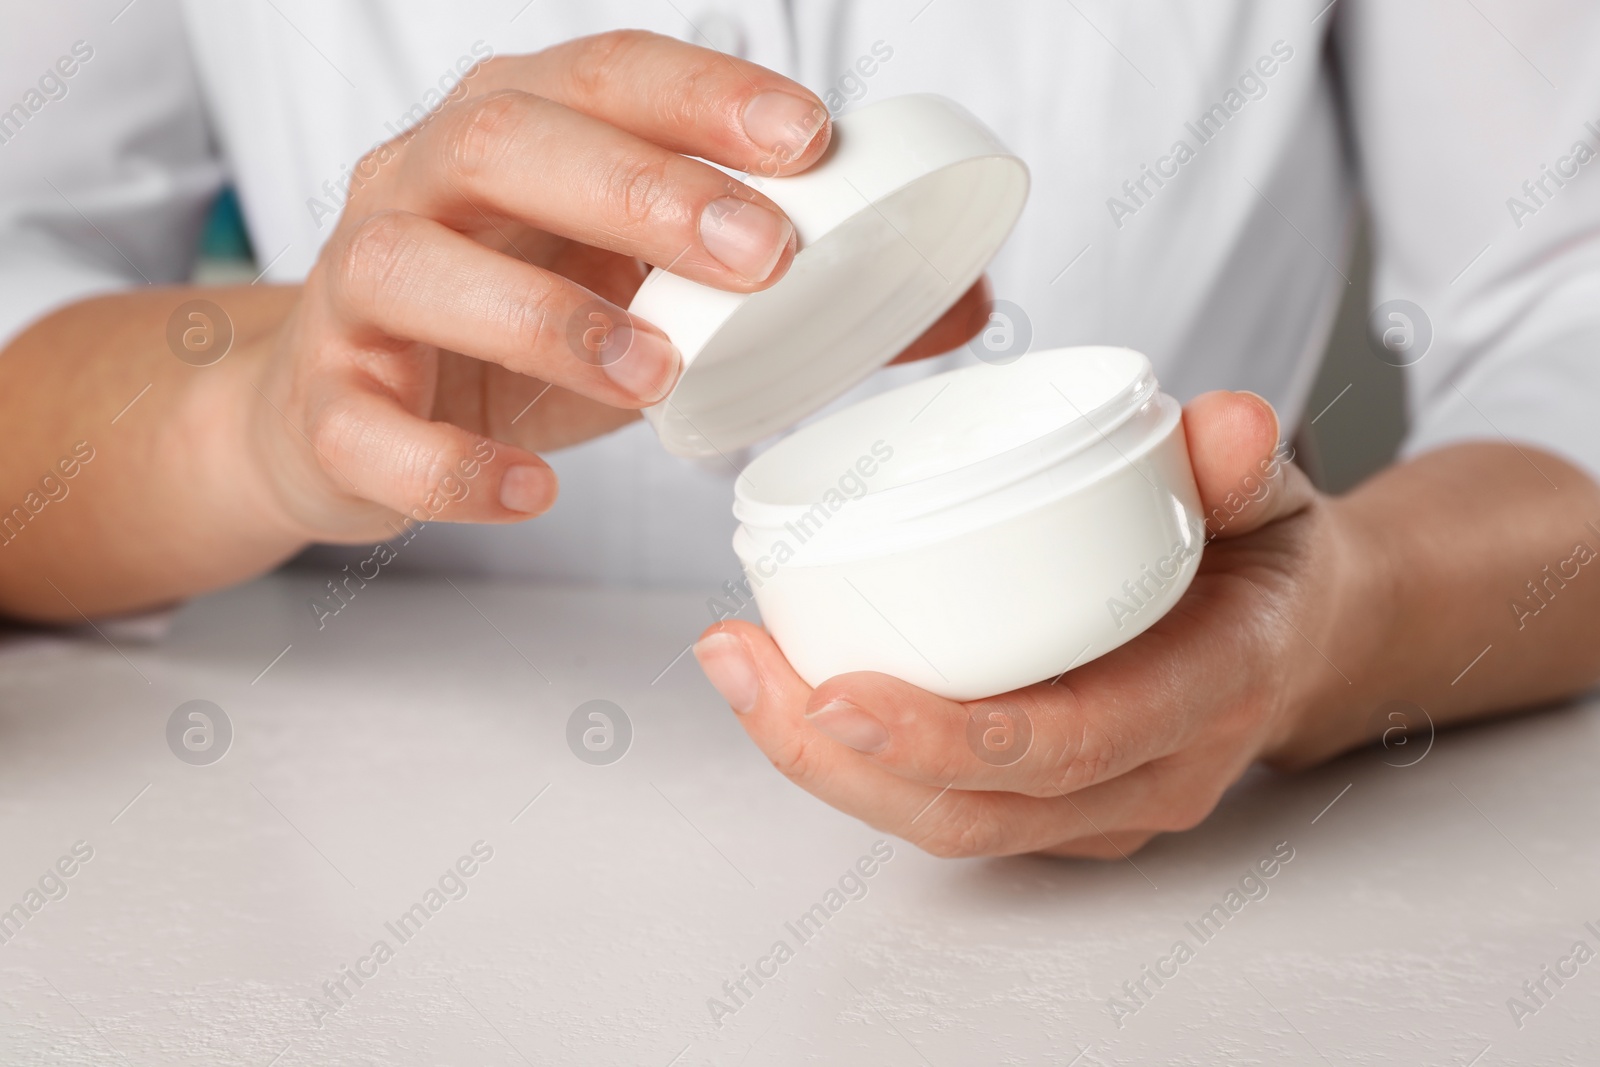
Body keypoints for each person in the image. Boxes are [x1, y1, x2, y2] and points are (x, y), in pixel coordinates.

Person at [3, 2, 1598, 858]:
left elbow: (1568, 322)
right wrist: (271, 415)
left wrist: (1335, 629)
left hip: (1220, 913)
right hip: (339, 868)